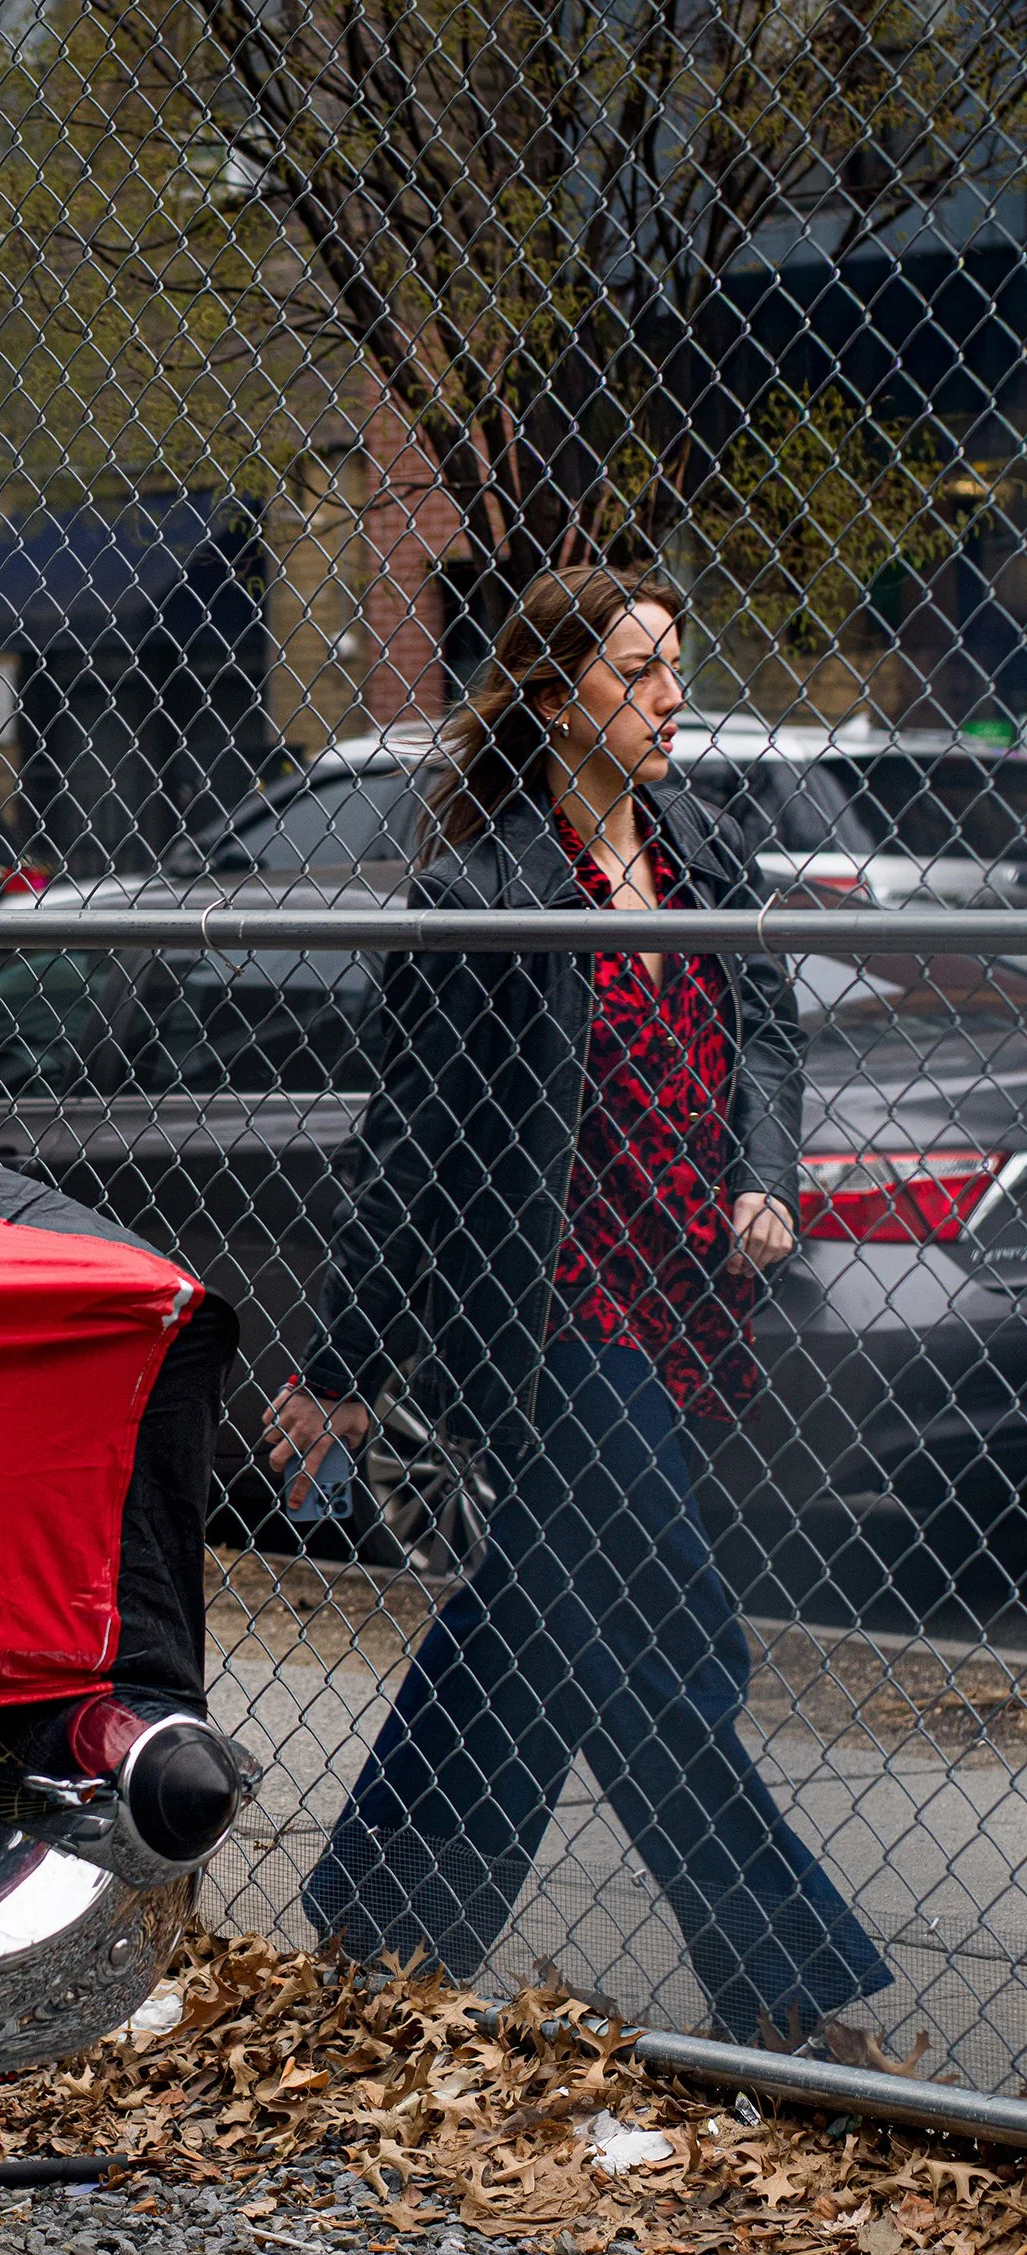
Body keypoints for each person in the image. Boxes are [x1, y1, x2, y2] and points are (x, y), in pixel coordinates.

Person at [263, 565, 891, 2044]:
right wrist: (347, 1365)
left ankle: (380, 1924)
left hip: (684, 1302)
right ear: (552, 697)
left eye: (675, 664)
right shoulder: (479, 893)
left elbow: (765, 1049)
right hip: (549, 1321)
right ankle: (785, 1995)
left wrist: (762, 1177)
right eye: (635, 672)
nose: (672, 697)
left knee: (543, 1626)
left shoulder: (701, 853)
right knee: (669, 1643)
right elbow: (411, 1142)